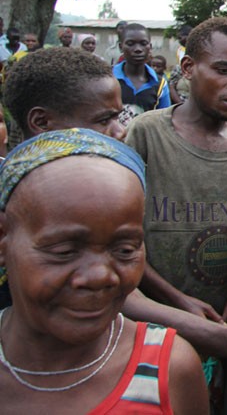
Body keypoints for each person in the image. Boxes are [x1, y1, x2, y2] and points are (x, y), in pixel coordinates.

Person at [0, 46, 227, 368]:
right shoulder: (30, 201)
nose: (120, 130)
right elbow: (130, 302)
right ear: (42, 121)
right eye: (105, 120)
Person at [0, 128, 208, 413]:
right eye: (64, 252)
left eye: (124, 251)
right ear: (3, 241)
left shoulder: (171, 368)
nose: (100, 276)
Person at [125, 18, 227, 409]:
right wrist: (177, 300)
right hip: (155, 326)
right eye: (223, 70)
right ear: (188, 69)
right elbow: (123, 243)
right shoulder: (146, 133)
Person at [113, 22, 171, 126]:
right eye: (130, 44)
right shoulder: (108, 78)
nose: (138, 49)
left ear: (150, 47)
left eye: (143, 44)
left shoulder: (160, 84)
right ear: (121, 47)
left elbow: (164, 123)